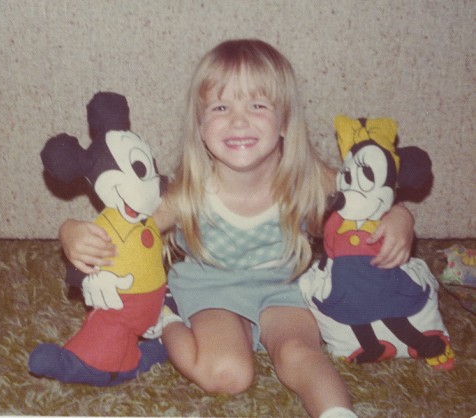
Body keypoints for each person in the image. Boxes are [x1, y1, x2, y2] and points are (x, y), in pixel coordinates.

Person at [59, 39, 415, 418]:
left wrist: (402, 218)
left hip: (284, 288)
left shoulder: (308, 178)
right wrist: (70, 232)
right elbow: (127, 229)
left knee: (300, 354)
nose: (239, 120)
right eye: (221, 106)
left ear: (285, 121)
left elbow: (371, 199)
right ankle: (164, 321)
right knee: (228, 374)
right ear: (200, 125)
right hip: (211, 288)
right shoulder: (191, 190)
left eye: (258, 105)